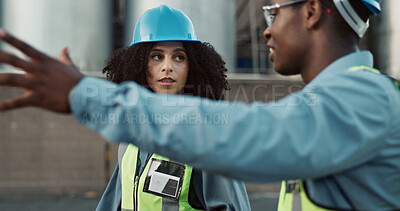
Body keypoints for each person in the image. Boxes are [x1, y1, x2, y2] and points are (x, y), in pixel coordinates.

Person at [0, 0, 399, 210]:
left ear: (312, 11)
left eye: (273, 10)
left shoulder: (365, 102)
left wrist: (84, 94)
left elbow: (245, 134)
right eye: (156, 57)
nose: (265, 27)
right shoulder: (325, 103)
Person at [95, 5, 250, 211]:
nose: (167, 66)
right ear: (139, 64)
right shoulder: (131, 139)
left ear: (193, 66)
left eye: (179, 57)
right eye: (157, 56)